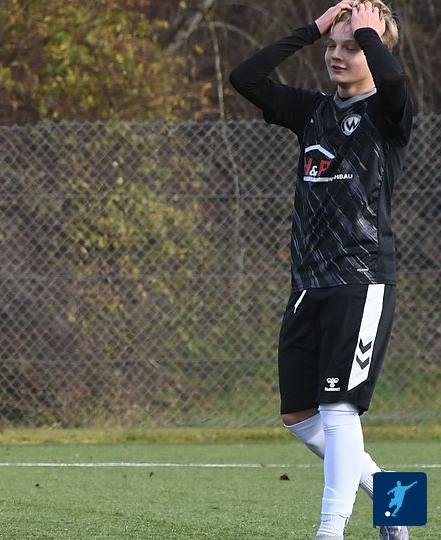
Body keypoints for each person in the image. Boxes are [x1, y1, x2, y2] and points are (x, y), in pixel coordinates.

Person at [230, 2, 413, 539]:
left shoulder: (389, 112)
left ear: (375, 50)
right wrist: (312, 29)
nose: (337, 55)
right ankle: (398, 504)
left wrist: (370, 35)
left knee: (338, 410)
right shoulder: (312, 111)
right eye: (332, 46)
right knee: (299, 417)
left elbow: (393, 78)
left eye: (352, 46)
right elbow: (245, 78)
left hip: (362, 280)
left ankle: (330, 531)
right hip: (308, 284)